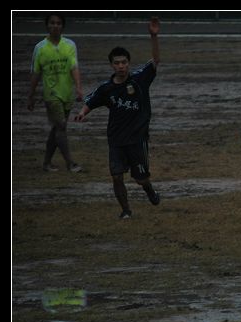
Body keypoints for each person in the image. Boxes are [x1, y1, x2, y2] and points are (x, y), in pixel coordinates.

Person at [74, 17, 162, 220]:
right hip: (116, 139)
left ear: (128, 63)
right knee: (116, 176)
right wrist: (82, 112)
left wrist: (154, 36)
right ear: (111, 65)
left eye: (124, 62)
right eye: (117, 63)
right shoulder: (106, 88)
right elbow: (92, 101)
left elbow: (156, 61)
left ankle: (149, 190)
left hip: (137, 139)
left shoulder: (140, 79)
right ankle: (126, 211)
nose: (121, 66)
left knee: (141, 179)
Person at [27, 13, 83, 173]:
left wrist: (78, 87)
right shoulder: (40, 48)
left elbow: (74, 67)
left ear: (62, 26)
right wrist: (31, 95)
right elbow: (35, 73)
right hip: (51, 95)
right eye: (52, 23)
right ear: (47, 25)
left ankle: (46, 163)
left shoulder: (70, 45)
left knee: (57, 129)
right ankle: (70, 163)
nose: (55, 26)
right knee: (61, 126)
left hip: (67, 94)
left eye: (58, 23)